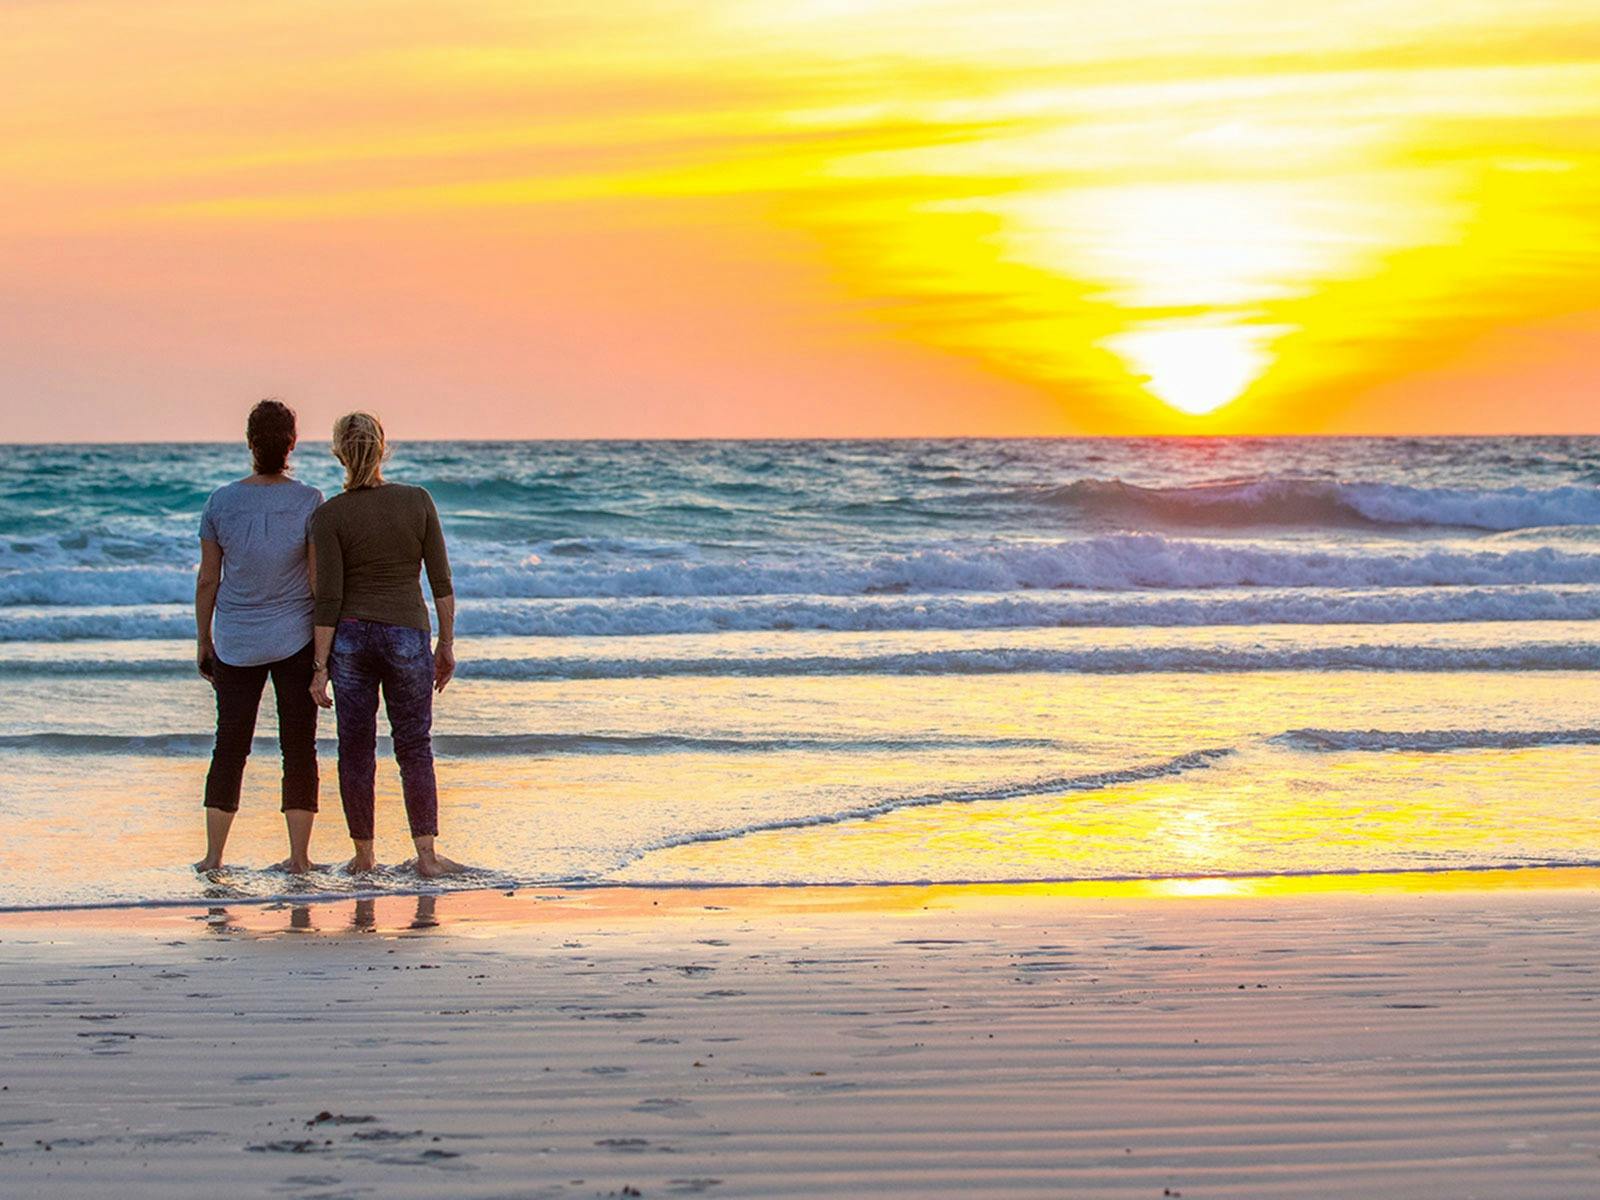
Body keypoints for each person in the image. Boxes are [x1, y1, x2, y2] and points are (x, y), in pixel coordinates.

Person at [308, 412, 462, 877]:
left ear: (338, 452)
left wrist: (319, 666)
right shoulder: (417, 501)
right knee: (414, 745)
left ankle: (364, 857)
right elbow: (441, 581)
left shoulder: (329, 514)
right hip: (406, 634)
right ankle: (427, 855)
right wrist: (447, 643)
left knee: (355, 749)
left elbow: (328, 598)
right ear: (383, 448)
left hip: (351, 638)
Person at [195, 399, 323, 873]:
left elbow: (208, 579)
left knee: (229, 745)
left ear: (249, 442)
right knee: (299, 746)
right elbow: (315, 581)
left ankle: (213, 857)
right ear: (291, 443)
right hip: (295, 638)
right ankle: (299, 858)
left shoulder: (220, 501)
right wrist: (323, 649)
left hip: (236, 640)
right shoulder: (309, 500)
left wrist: (203, 640)